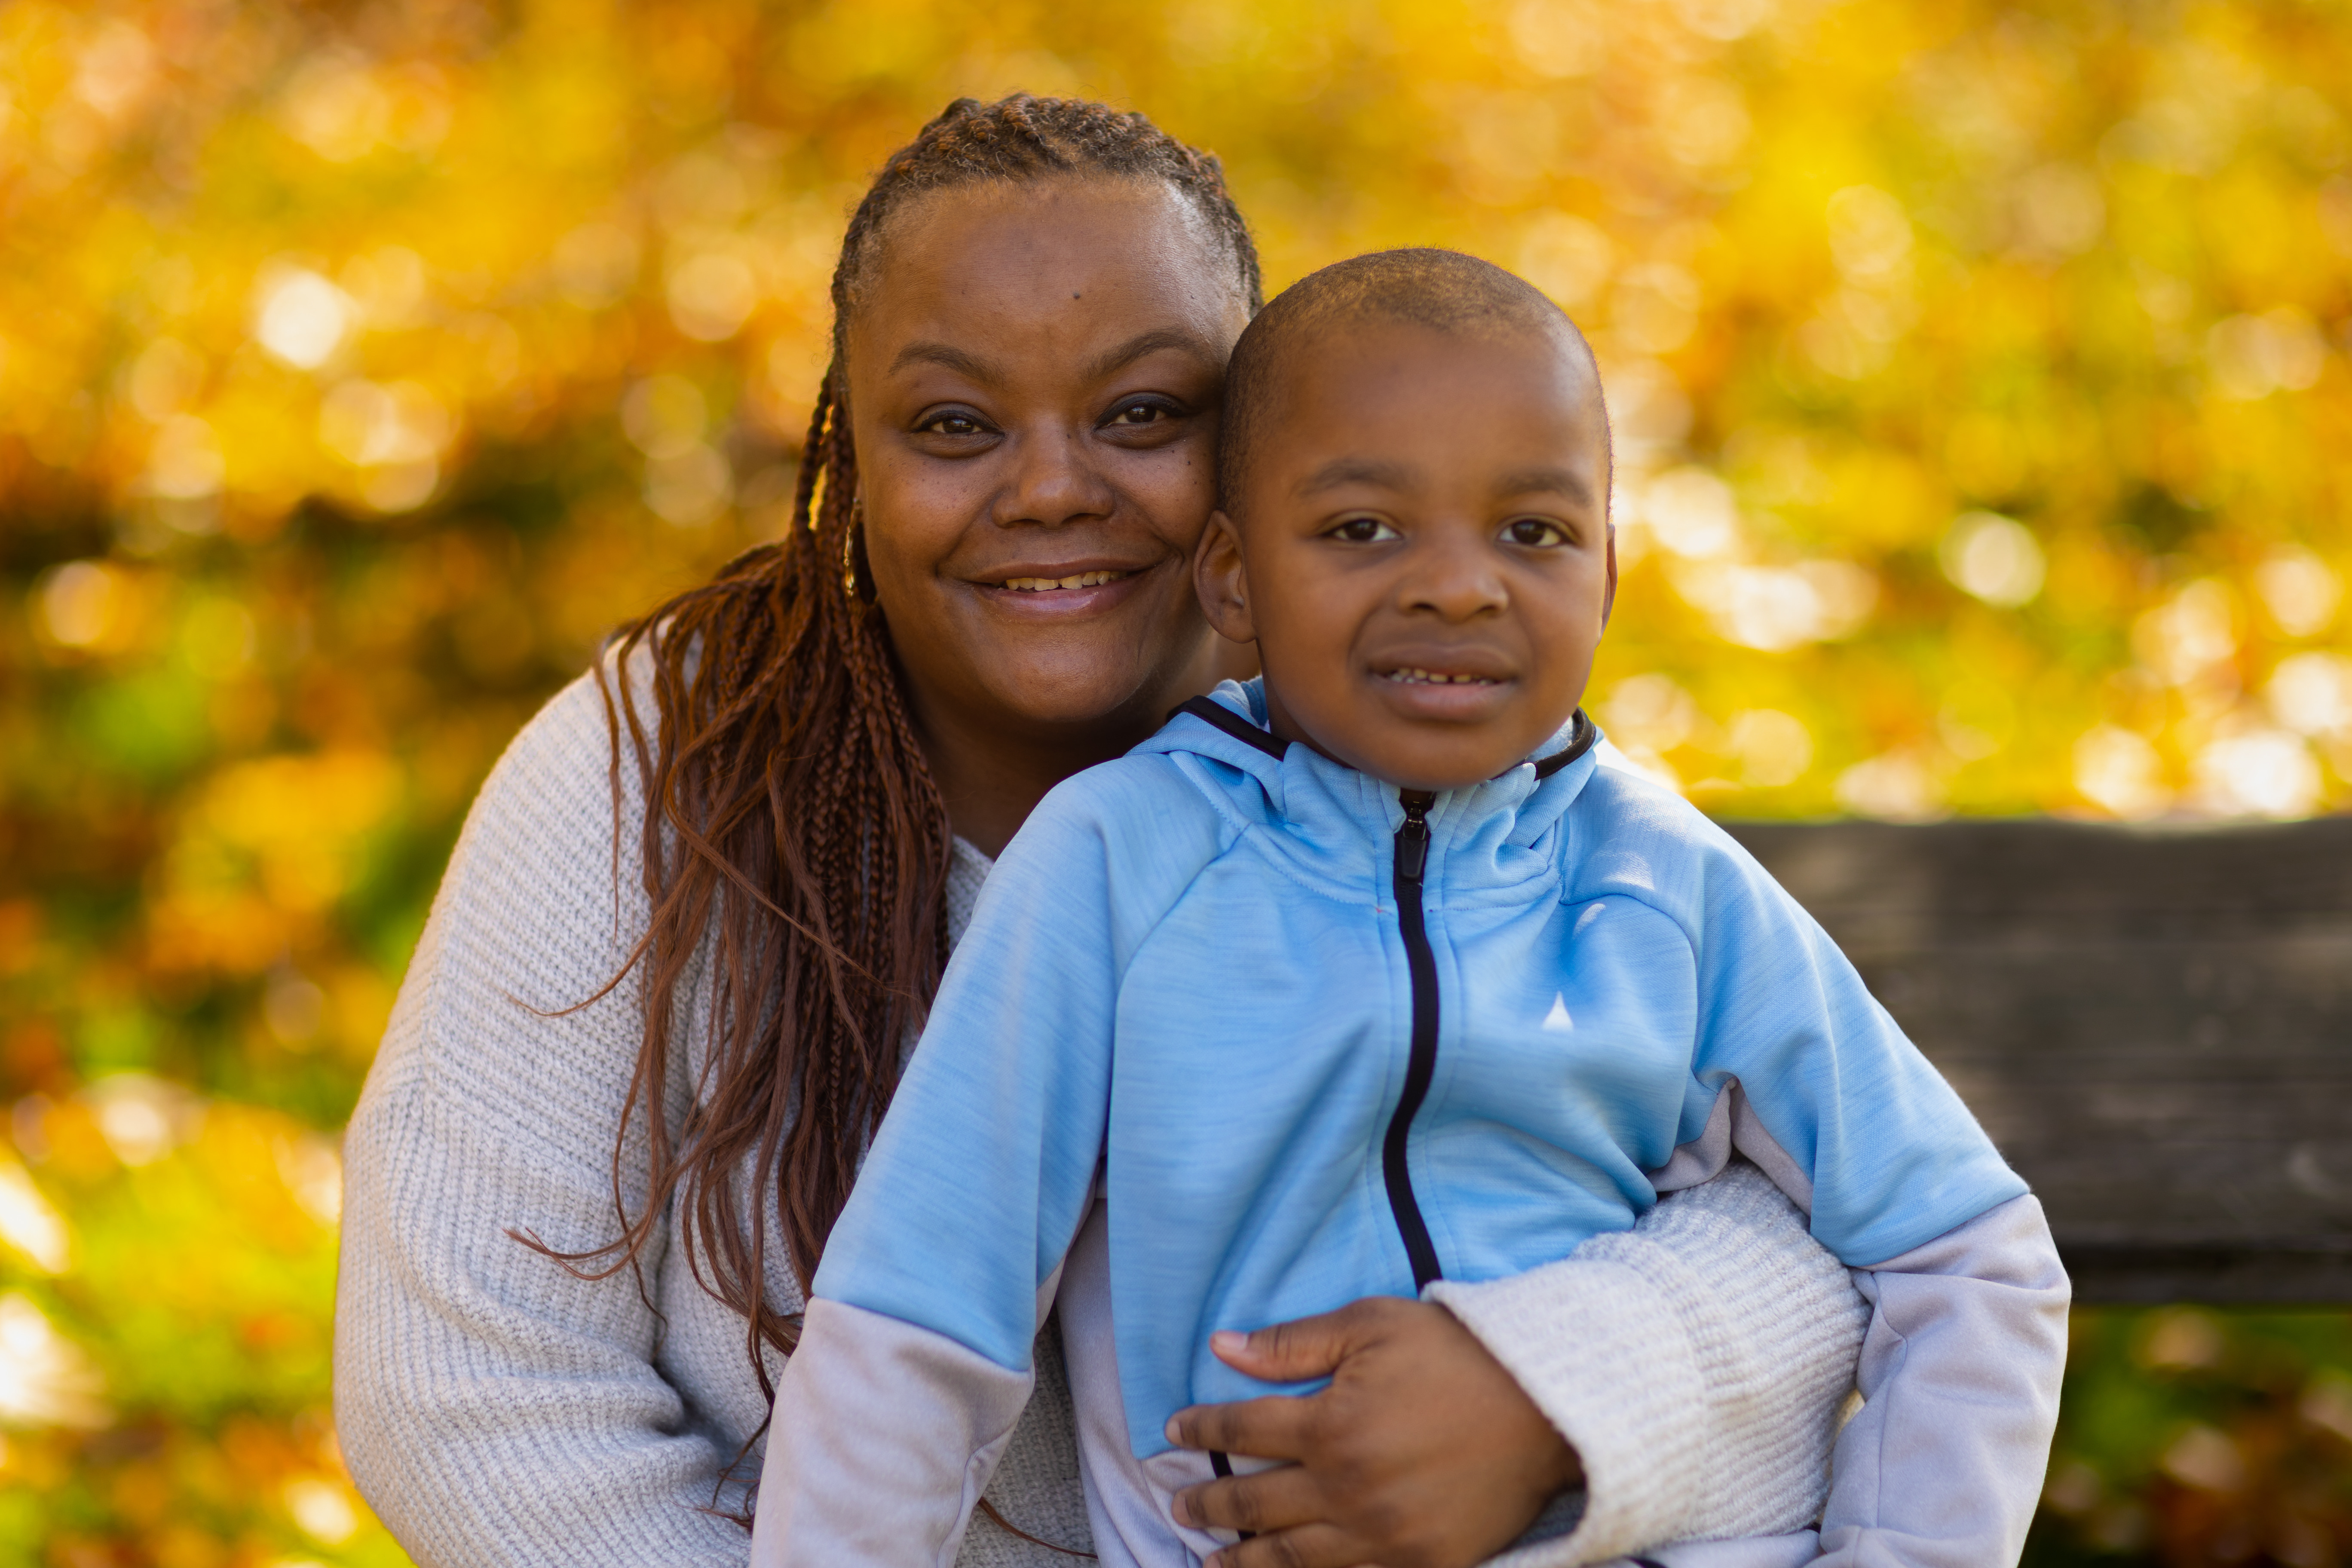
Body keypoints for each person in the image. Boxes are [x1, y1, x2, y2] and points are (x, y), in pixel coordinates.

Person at [331, 98, 1985, 1568]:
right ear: (849, 452)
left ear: (1261, 452)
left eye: (1143, 415)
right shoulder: (659, 769)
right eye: (956, 426)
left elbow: (1859, 1233)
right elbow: (461, 1387)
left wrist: (1558, 1394)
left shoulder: (1468, 767)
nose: (1052, 488)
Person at [751, 249, 2069, 1568]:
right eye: (1362, 530)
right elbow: (917, 1325)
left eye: (1532, 532)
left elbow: (1970, 1257)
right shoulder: (1118, 862)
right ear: (1231, 578)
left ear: (1605, 577)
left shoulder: (1664, 883)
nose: (1457, 586)